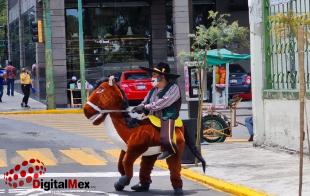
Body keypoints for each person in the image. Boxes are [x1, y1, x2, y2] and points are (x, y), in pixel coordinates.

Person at [132, 62, 181, 160]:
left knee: (165, 139)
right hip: (153, 116)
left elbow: (162, 103)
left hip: (167, 116)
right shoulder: (153, 90)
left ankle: (170, 149)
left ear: (162, 76)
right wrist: (139, 106)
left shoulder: (173, 88)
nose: (152, 77)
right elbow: (145, 101)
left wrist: (145, 107)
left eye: (154, 75)